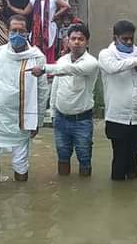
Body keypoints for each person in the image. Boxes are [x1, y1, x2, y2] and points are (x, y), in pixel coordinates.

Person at [0, 15, 49, 182]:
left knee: (20, 162)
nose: (17, 34)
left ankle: (21, 199)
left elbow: (42, 91)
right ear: (6, 32)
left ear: (28, 33)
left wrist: (37, 121)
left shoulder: (36, 57)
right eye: (14, 30)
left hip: (23, 118)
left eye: (22, 31)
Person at [31, 23, 99, 176]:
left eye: (80, 39)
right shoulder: (61, 60)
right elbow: (56, 86)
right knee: (62, 157)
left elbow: (70, 70)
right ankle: (64, 189)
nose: (76, 42)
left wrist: (44, 69)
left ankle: (84, 192)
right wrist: (53, 113)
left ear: (87, 42)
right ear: (68, 41)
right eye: (73, 38)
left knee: (84, 158)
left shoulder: (92, 63)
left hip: (82, 120)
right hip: (61, 118)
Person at [98, 20, 137, 181]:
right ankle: (118, 196)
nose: (129, 42)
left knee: (133, 159)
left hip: (136, 116)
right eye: (125, 39)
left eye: (131, 39)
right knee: (119, 158)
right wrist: (136, 61)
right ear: (115, 38)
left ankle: (131, 195)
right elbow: (113, 68)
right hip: (116, 115)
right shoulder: (106, 54)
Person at [7, 0, 70, 64]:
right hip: (37, 30)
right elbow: (25, 12)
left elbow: (66, 6)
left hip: (49, 28)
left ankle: (49, 69)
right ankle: (38, 67)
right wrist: (11, 7)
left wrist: (56, 15)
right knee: (36, 49)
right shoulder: (33, 0)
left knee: (49, 48)